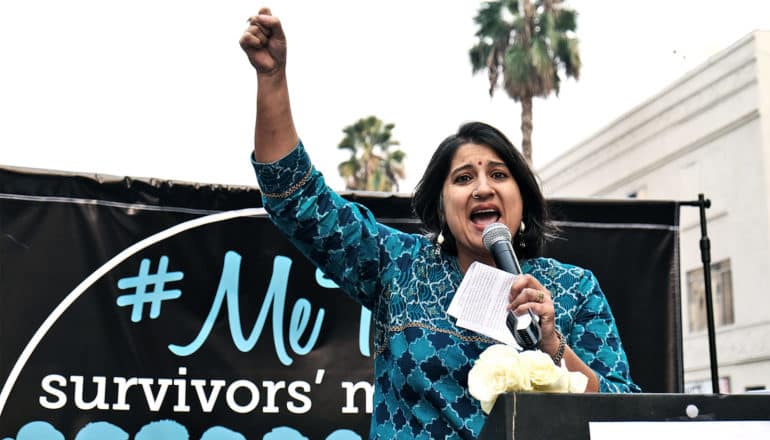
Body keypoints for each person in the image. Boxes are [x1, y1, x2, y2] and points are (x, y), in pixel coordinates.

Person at [240, 8, 640, 439]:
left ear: (522, 197)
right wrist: (273, 78)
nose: (483, 188)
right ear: (442, 206)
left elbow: (621, 414)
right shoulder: (399, 268)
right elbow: (297, 200)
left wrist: (552, 344)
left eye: (499, 175)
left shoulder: (574, 290)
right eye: (464, 178)